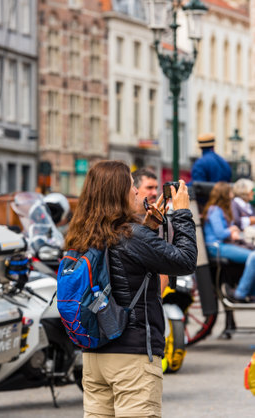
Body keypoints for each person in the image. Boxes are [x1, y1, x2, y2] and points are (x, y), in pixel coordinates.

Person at [65, 160, 197, 418]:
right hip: (132, 358)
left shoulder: (81, 235)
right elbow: (185, 261)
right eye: (130, 186)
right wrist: (181, 214)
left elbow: (118, 268)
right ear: (118, 193)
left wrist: (147, 230)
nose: (137, 192)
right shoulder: (131, 236)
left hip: (94, 357)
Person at [203, 182, 255, 302]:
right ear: (224, 194)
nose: (232, 195)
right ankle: (241, 293)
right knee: (253, 257)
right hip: (216, 246)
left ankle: (251, 293)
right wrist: (232, 229)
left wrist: (233, 230)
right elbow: (220, 233)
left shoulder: (222, 209)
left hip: (224, 245)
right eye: (230, 192)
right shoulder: (214, 210)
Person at [132, 167, 169, 293]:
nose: (154, 193)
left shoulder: (163, 221)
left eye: (156, 188)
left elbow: (164, 267)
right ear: (135, 190)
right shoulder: (123, 220)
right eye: (149, 188)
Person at [231, 178, 255, 244]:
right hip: (242, 236)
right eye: (251, 190)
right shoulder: (234, 203)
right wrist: (251, 220)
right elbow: (236, 221)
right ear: (244, 191)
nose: (253, 193)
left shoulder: (249, 205)